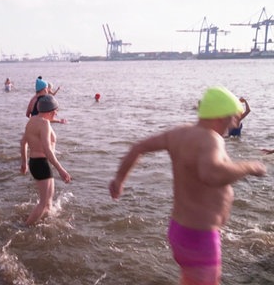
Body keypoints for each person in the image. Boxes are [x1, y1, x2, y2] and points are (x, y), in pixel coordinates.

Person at [108, 86, 266, 285]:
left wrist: (119, 179)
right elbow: (211, 174)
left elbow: (138, 147)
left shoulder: (180, 133)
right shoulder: (211, 139)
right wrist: (248, 167)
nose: (235, 123)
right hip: (200, 237)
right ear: (220, 117)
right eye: (232, 117)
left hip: (179, 231)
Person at [20, 94, 71, 225]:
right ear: (51, 111)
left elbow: (23, 143)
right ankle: (23, 228)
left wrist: (24, 162)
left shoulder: (32, 121)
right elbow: (48, 150)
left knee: (48, 202)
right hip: (42, 164)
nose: (56, 113)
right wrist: (61, 170)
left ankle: (46, 223)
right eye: (56, 110)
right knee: (44, 203)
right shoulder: (44, 124)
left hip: (34, 163)